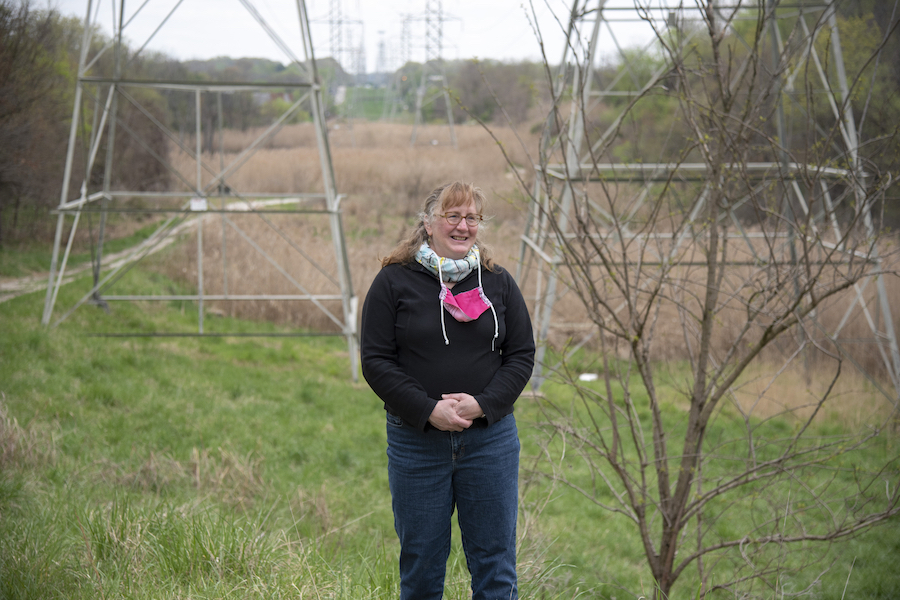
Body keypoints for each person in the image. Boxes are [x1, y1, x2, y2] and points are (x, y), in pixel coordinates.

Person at [360, 181, 535, 600]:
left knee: (495, 567)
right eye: (452, 216)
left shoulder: (498, 282)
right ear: (428, 223)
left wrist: (483, 404)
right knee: (421, 567)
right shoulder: (393, 282)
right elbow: (376, 361)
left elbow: (521, 355)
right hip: (417, 444)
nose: (462, 226)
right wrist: (427, 410)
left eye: (471, 217)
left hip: (489, 442)